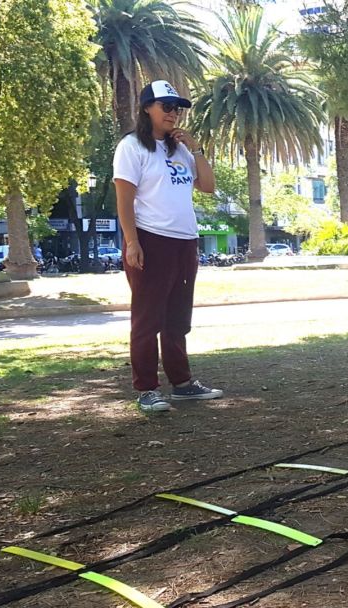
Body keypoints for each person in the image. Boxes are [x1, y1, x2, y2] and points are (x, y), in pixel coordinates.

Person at [114, 80, 222, 412]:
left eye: (177, 108)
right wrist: (132, 242)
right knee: (147, 319)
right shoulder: (132, 147)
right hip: (151, 240)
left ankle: (182, 384)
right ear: (147, 108)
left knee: (177, 318)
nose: (173, 114)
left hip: (184, 243)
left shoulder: (180, 150)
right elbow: (125, 200)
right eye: (166, 106)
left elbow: (208, 186)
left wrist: (197, 149)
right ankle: (147, 389)